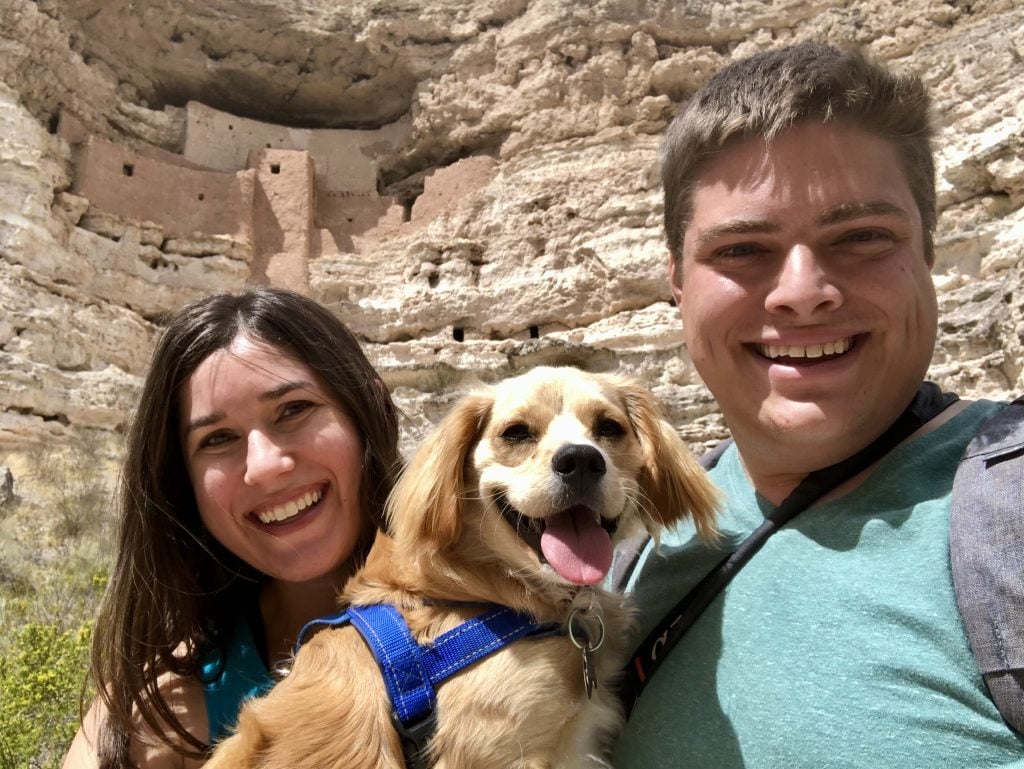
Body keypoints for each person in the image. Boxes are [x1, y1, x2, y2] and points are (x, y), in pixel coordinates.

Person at [612, 42, 1024, 767]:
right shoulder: (636, 543)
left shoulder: (1009, 510)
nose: (802, 290)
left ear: (928, 250)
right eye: (741, 249)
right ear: (676, 279)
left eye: (862, 236)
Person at [62, 287, 401, 769]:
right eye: (218, 438)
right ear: (185, 484)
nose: (263, 466)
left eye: (294, 409)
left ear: (366, 409)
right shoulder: (160, 714)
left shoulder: (494, 624)